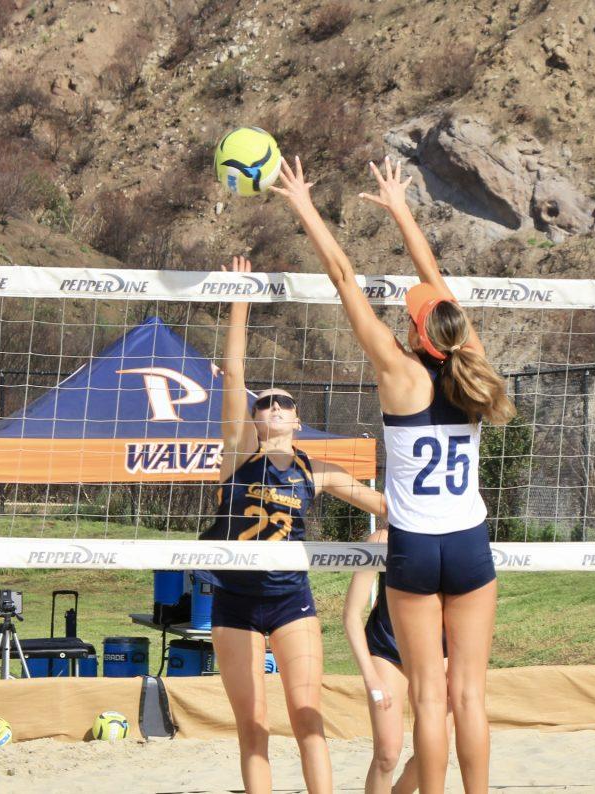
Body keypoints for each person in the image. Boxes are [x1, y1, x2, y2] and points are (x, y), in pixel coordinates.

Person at [274, 156, 515, 793]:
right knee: (470, 697)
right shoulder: (473, 364)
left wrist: (303, 202)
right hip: (467, 543)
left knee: (430, 702)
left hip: (414, 547)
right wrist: (404, 211)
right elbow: (436, 284)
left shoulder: (398, 373)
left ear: (413, 330)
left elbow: (343, 275)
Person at [200, 255, 387, 794]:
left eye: (284, 402)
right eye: (267, 402)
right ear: (256, 419)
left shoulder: (316, 468)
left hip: (291, 600)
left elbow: (384, 508)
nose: (274, 405)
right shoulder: (237, 456)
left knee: (308, 719)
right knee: (252, 728)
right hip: (235, 600)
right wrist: (240, 299)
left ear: (298, 420)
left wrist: (385, 538)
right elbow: (234, 373)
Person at [342, 527, 453, 794]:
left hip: (437, 651)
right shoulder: (382, 540)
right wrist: (370, 676)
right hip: (388, 649)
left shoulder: (455, 534)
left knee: (432, 754)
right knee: (387, 754)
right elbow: (350, 615)